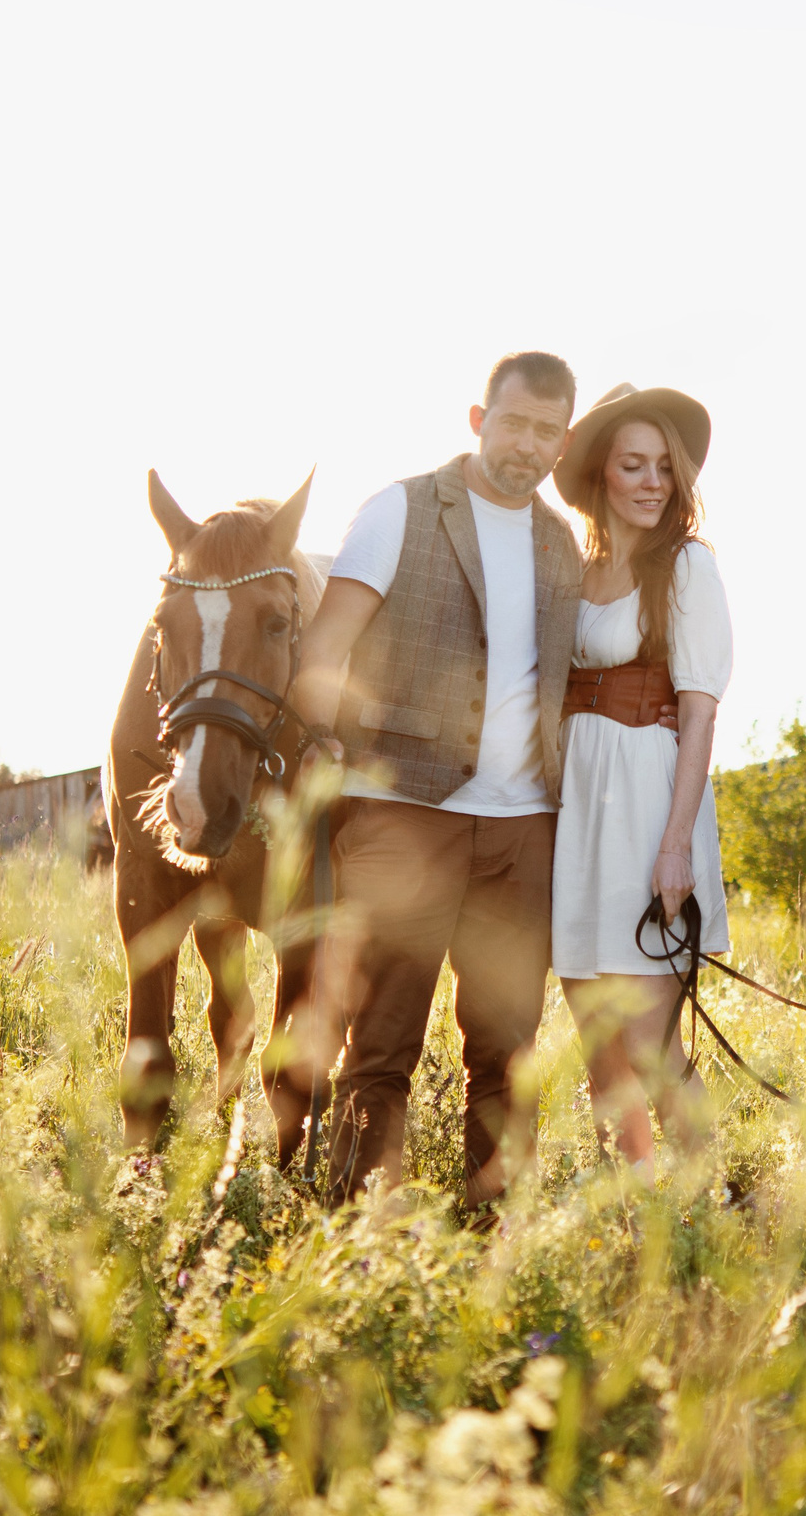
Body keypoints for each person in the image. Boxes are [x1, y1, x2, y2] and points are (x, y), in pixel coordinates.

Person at [291, 352, 583, 1209]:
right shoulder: (400, 508)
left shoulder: (562, 542)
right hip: (402, 816)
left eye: (546, 431)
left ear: (563, 443)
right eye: (514, 422)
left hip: (523, 830)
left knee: (506, 1049)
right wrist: (326, 742)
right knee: (382, 1043)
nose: (527, 444)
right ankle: (361, 1232)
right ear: (478, 419)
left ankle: (493, 1231)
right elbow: (324, 647)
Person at [548, 382, 733, 1168]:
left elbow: (699, 712)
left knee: (651, 1044)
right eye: (634, 465)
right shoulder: (573, 569)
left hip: (650, 802)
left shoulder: (686, 565)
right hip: (579, 808)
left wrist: (675, 845)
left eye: (664, 466)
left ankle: (708, 1203)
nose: (653, 482)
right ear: (601, 473)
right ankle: (633, 1210)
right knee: (599, 1042)